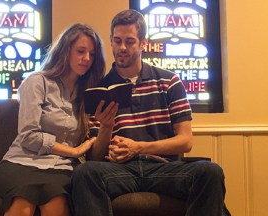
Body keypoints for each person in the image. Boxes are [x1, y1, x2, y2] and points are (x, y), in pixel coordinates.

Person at [72, 10, 231, 216]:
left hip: (162, 168)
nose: (122, 48)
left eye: (129, 42)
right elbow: (95, 157)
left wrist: (138, 147)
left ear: (142, 43)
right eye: (117, 41)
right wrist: (106, 127)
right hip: (120, 171)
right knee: (84, 173)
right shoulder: (100, 89)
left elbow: (185, 141)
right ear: (110, 41)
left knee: (210, 172)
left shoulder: (168, 82)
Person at [0, 23, 106, 216]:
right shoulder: (37, 81)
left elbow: (92, 136)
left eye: (92, 54)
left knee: (56, 206)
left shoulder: (88, 92)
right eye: (80, 51)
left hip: (61, 166)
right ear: (65, 50)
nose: (87, 58)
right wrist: (73, 151)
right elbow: (29, 136)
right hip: (22, 161)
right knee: (22, 207)